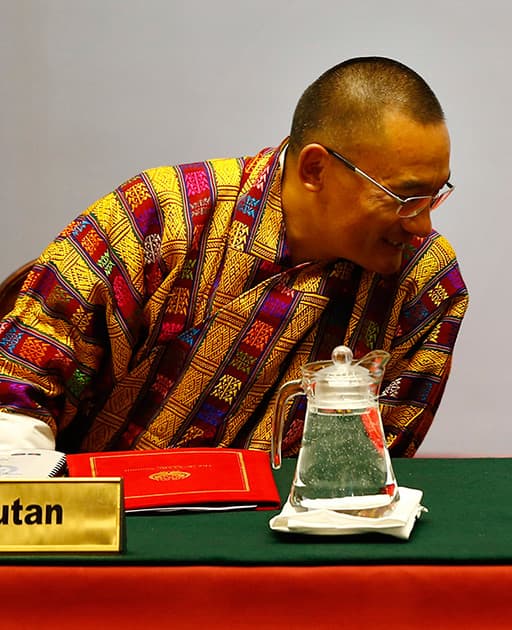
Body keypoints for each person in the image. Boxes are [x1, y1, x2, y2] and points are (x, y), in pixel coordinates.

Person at [0, 57, 468, 458]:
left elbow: (377, 464)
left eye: (435, 196)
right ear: (315, 169)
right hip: (102, 527)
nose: (422, 224)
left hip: (290, 543)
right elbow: (17, 390)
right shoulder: (166, 215)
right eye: (404, 197)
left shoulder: (425, 282)